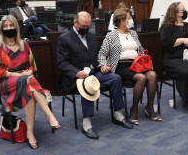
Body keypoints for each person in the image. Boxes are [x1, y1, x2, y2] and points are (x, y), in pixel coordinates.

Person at [0, 15, 61, 149]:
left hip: (26, 81)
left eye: (11, 25)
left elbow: (32, 66)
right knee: (28, 82)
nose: (9, 28)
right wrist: (18, 74)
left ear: (16, 27)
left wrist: (30, 71)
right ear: (1, 29)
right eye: (6, 26)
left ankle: (30, 132)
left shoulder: (24, 44)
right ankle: (50, 117)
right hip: (7, 82)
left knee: (28, 86)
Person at [56, 11, 133, 139]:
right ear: (75, 23)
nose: (86, 29)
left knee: (116, 78)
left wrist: (102, 65)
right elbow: (62, 63)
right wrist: (77, 72)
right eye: (83, 26)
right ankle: (86, 123)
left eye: (88, 26)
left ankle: (118, 114)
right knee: (87, 84)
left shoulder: (91, 36)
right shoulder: (64, 39)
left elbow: (98, 56)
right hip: (77, 76)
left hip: (94, 72)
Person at [98, 7, 161, 124]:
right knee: (141, 77)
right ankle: (134, 109)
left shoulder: (133, 33)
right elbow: (102, 53)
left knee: (152, 75)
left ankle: (150, 107)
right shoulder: (111, 35)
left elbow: (140, 50)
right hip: (120, 66)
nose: (131, 20)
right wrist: (103, 65)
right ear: (122, 21)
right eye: (129, 18)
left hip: (137, 65)